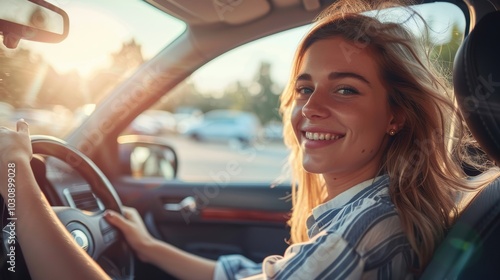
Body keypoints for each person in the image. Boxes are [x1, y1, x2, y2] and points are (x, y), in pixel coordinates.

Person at [1, 0, 498, 279]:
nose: (311, 108)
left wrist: (16, 175)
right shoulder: (373, 209)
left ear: (396, 115)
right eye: (305, 88)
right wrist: (150, 247)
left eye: (345, 89)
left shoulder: (357, 236)